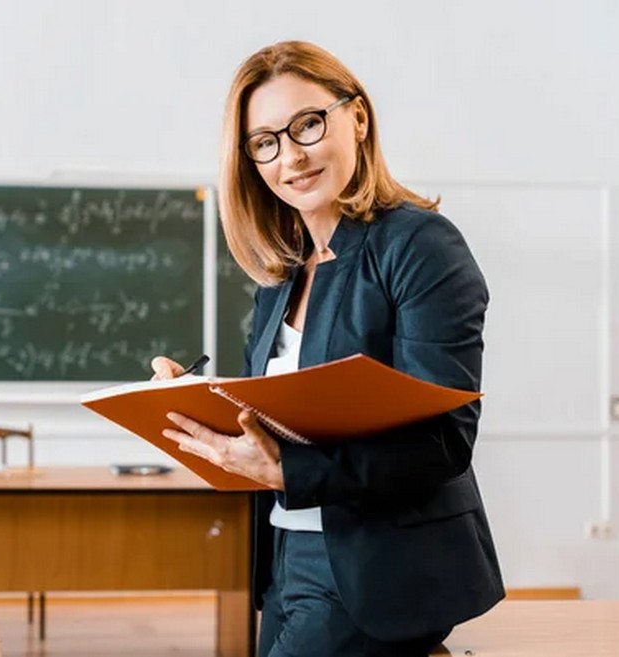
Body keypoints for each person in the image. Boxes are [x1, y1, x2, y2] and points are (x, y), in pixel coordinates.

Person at [153, 41, 504, 656]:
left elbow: (443, 440)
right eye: (264, 141)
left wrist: (289, 471)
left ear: (358, 119)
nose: (290, 156)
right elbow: (265, 421)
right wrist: (193, 407)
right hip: (285, 561)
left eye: (307, 125)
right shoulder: (282, 276)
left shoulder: (421, 247)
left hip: (378, 571)